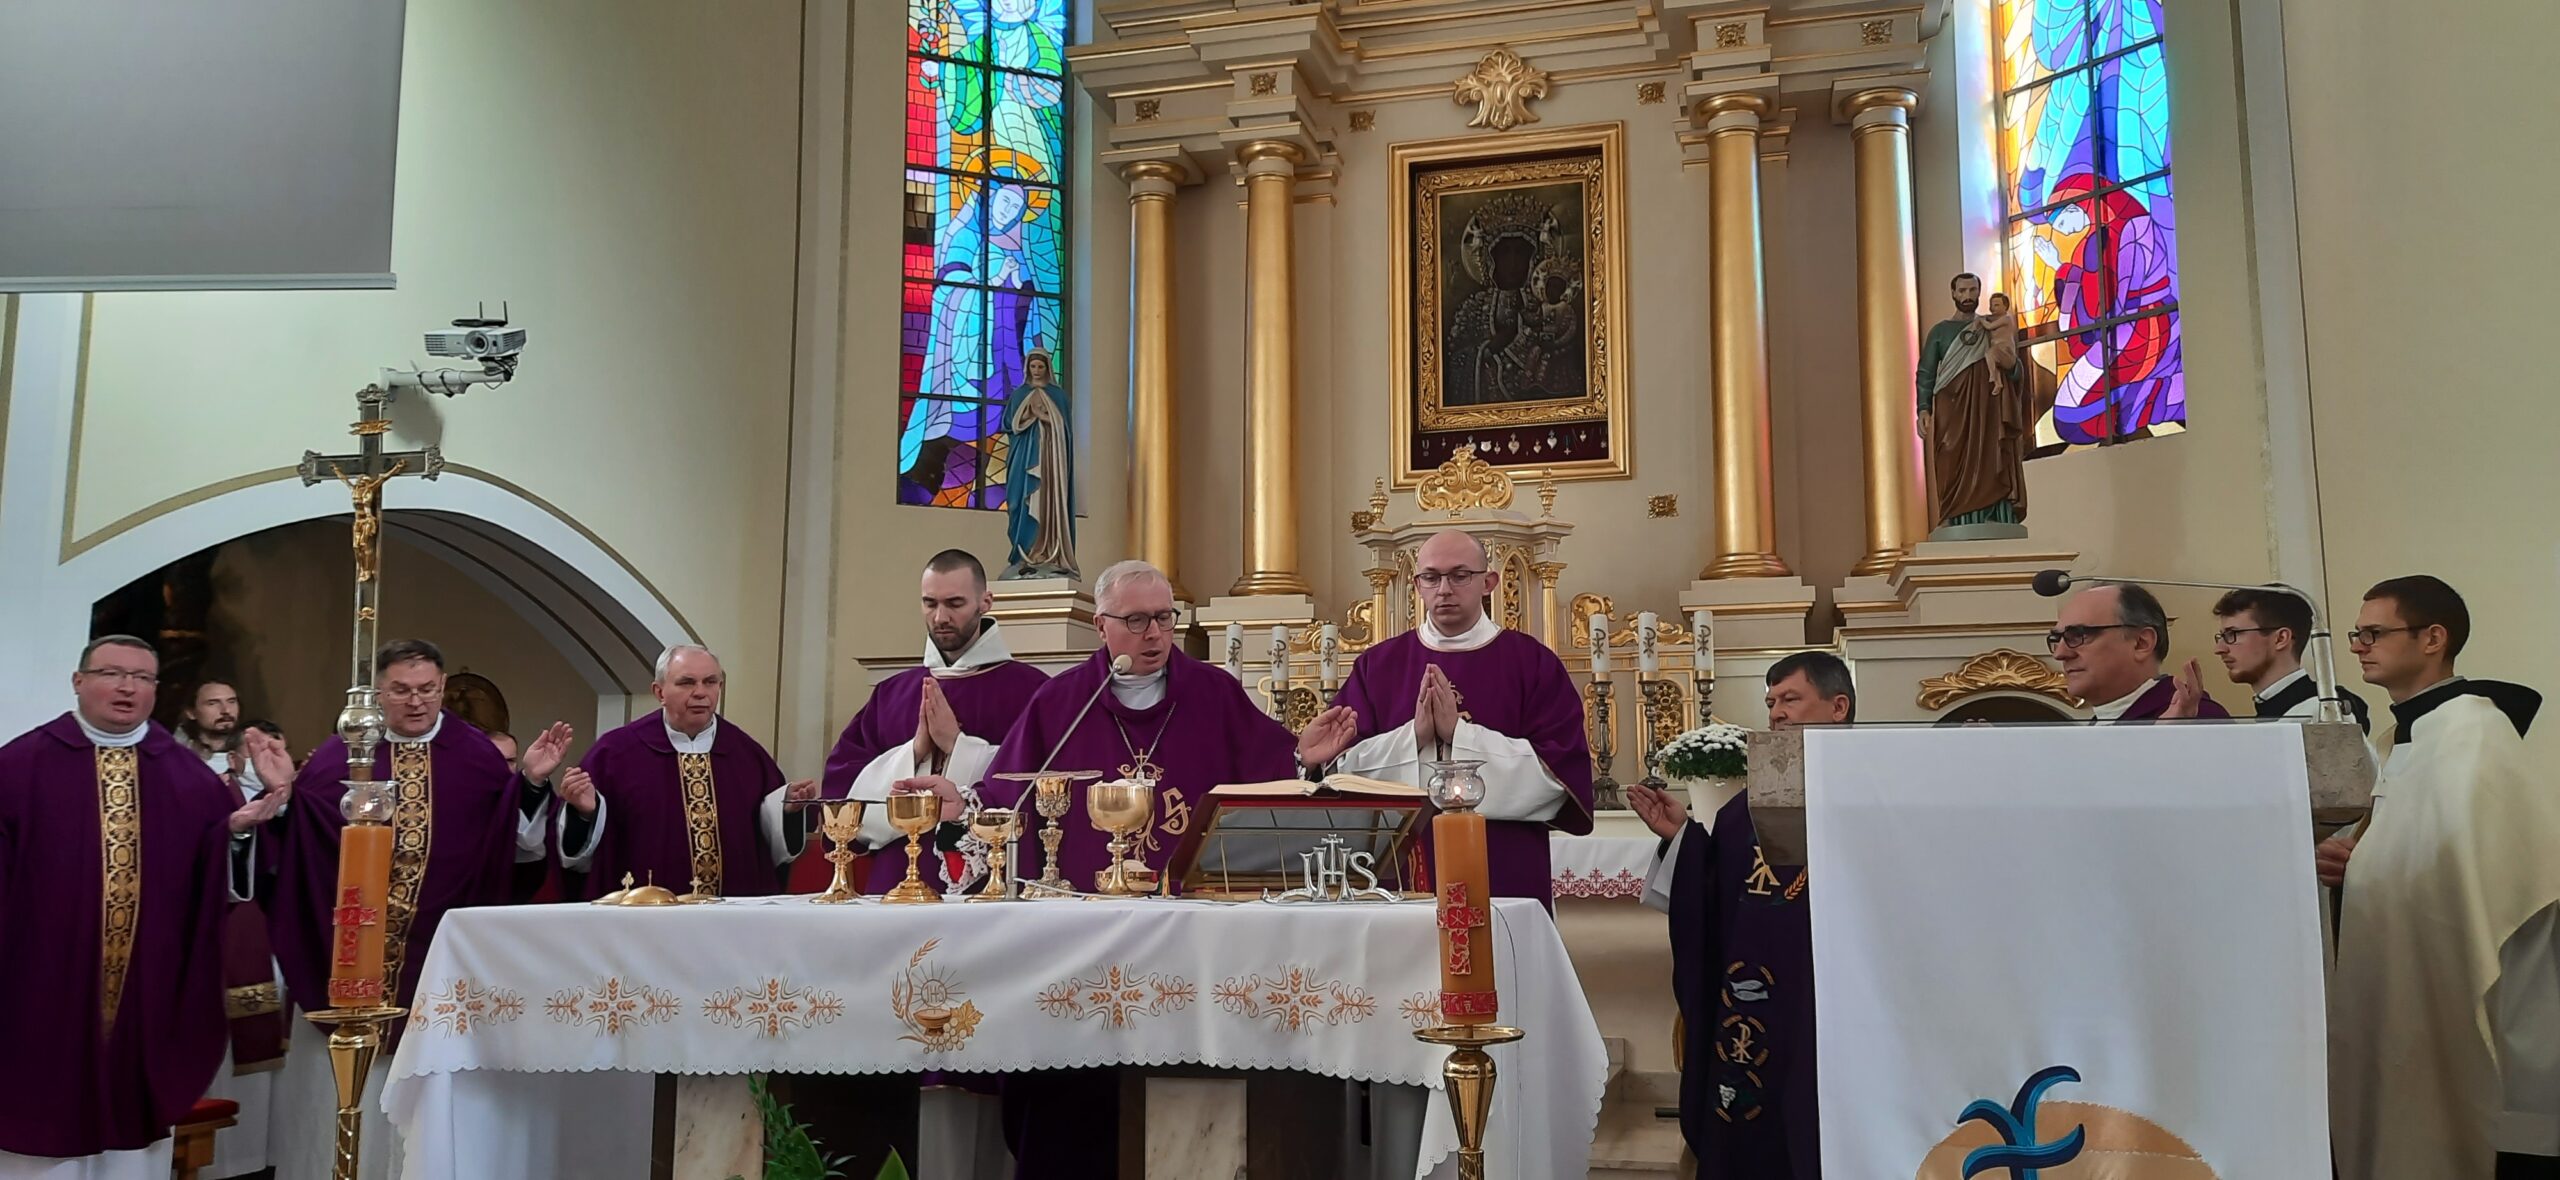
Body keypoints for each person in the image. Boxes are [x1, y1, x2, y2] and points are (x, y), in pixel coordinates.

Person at [984, 559, 1297, 1179]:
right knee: (1073, 1087)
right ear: (1100, 626)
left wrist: (1303, 758)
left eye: (1163, 618)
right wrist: (963, 802)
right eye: (1136, 621)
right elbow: (1007, 793)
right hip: (1082, 931)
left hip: (1191, 925)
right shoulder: (1063, 701)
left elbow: (1269, 773)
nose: (1154, 634)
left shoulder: (1213, 692)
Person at [257, 639, 572, 1180]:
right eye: (401, 690)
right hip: (351, 959)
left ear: (443, 687)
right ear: (379, 693)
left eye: (427, 689)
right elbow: (299, 852)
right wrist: (285, 797)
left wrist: (531, 785)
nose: (415, 701)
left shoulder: (474, 757)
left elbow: (511, 850)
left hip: (436, 967)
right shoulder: (341, 755)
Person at [2324, 576, 2560, 1180]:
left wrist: (2366, 864)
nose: (2359, 646)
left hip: (2465, 987)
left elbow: (2478, 874)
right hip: (2399, 978)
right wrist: (2352, 857)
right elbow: (2405, 850)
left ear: (2433, 638)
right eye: (2357, 634)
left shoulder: (2471, 734)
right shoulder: (2403, 736)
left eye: (2374, 633)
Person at [0, 636, 252, 1177]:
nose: (126, 688)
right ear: (78, 681)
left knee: (131, 1156)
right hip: (40, 990)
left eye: (141, 678)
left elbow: (213, 885)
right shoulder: (19, 767)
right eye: (112, 673)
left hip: (147, 995)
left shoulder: (188, 779)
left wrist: (235, 836)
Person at [1625, 652, 1853, 1180]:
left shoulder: (1874, 787)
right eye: (1771, 702)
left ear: (1838, 706)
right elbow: (1716, 884)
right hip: (1764, 1000)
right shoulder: (1755, 797)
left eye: (1791, 699)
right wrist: (1682, 838)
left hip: (1839, 993)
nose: (1776, 713)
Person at [1294, 529, 1594, 904]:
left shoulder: (1532, 663)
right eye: (1431, 577)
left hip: (1503, 865)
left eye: (1460, 575)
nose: (1444, 589)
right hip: (1397, 871)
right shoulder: (1378, 665)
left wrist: (1459, 734)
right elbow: (1342, 778)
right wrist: (1414, 737)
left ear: (1488, 582)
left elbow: (1558, 777)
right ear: (1417, 586)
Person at [823, 549, 1050, 896]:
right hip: (896, 883)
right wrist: (914, 751)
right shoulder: (892, 694)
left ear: (986, 602)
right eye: (930, 603)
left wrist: (958, 747)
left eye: (955, 603)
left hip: (994, 881)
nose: (941, 617)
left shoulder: (1032, 691)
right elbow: (841, 789)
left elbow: (1045, 784)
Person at [561, 645, 816, 898]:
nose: (700, 693)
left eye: (710, 682)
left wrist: (786, 811)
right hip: (645, 912)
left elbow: (769, 846)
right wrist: (584, 815)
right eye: (687, 683)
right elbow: (577, 852)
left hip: (731, 912)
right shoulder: (615, 753)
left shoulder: (747, 754)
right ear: (659, 692)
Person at [1917, 273, 2031, 531]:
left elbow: (2011, 360)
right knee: (1949, 453)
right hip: (1950, 405)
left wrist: (2013, 369)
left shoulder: (1992, 325)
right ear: (1953, 294)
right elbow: (1926, 372)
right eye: (1962, 291)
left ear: (1979, 292)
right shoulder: (1940, 332)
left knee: (1991, 454)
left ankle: (1995, 514)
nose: (1967, 296)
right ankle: (1951, 514)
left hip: (1988, 406)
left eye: (1972, 290)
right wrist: (1924, 407)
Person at [2048, 583, 2230, 720]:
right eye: (2057, 639)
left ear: (2141, 643)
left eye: (2078, 635)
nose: (2060, 654)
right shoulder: (2101, 721)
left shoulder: (2196, 718)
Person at [2208, 587, 2369, 728]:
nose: (2219, 649)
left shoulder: (2321, 712)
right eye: (2221, 637)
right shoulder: (2274, 709)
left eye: (2233, 634)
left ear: (2281, 638)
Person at [1002, 348, 1078, 580]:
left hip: (1050, 462)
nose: (1036, 371)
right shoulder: (1019, 395)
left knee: (1048, 504)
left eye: (1040, 366)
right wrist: (1028, 416)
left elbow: (1065, 431)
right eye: (1033, 366)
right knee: (1018, 503)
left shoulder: (1058, 396)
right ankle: (1022, 555)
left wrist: (1045, 417)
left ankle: (1048, 553)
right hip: (1022, 458)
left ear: (1047, 368)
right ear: (1027, 368)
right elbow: (1009, 424)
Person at [181, 679, 243, 777]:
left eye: (231, 702)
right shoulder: (180, 760)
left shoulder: (258, 753)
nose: (226, 710)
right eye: (212, 703)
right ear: (191, 713)